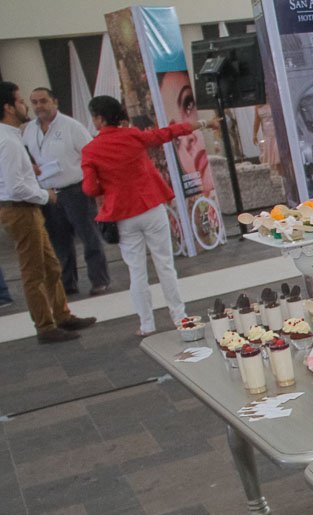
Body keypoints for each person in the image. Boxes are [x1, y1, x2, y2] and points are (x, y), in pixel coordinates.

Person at [81, 95, 211, 337]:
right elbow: (166, 133)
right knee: (165, 265)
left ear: (99, 119)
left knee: (137, 271)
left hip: (122, 214)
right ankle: (179, 316)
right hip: (151, 206)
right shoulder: (133, 135)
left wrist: (106, 188)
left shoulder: (90, 150)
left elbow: (89, 189)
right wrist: (202, 124)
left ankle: (147, 324)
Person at [0, 82, 96, 343]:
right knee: (34, 271)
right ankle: (45, 326)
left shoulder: (12, 136)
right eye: (21, 101)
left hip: (23, 208)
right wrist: (46, 195)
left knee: (51, 265)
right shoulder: (8, 141)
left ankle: (61, 315)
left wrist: (29, 171)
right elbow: (16, 187)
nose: (26, 106)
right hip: (20, 210)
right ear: (9, 108)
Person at [22, 87, 111, 297]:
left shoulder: (71, 126)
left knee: (89, 237)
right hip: (48, 192)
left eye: (43, 101)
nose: (39, 106)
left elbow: (91, 154)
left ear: (55, 102)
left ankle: (99, 280)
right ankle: (67, 283)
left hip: (75, 190)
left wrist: (97, 188)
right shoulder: (30, 130)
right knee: (59, 241)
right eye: (34, 102)